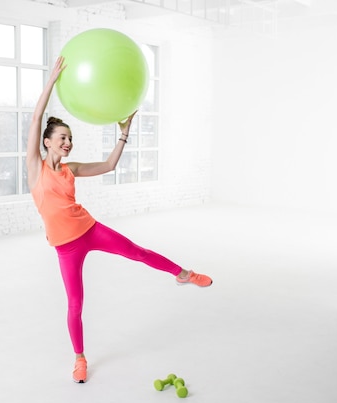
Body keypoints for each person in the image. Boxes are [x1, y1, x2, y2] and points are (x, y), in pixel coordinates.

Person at [26, 56, 213, 384]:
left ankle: (184, 274)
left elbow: (109, 166)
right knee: (75, 304)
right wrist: (52, 81)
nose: (68, 143)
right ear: (47, 141)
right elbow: (36, 118)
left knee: (137, 252)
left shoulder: (73, 169)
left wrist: (123, 135)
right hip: (65, 247)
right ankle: (80, 359)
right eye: (62, 138)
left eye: (70, 139)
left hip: (90, 230)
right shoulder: (34, 168)